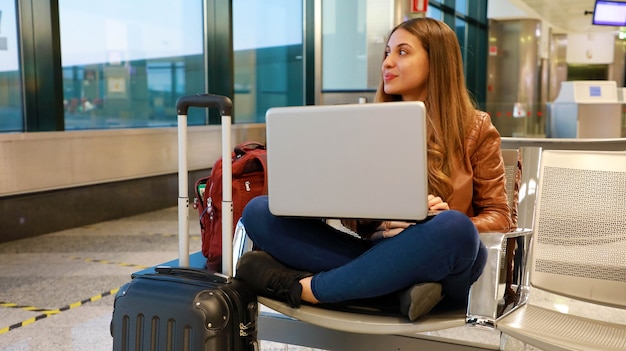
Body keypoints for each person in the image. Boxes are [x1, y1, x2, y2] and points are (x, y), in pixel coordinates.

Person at [235, 17, 513, 321]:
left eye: (402, 52)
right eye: (387, 53)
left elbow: (500, 218)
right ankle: (395, 294)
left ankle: (307, 289)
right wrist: (378, 222)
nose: (388, 63)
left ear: (438, 62)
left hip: (442, 264)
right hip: (379, 254)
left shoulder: (476, 128)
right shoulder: (371, 124)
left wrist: (434, 221)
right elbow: (357, 222)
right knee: (260, 211)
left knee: (455, 230)